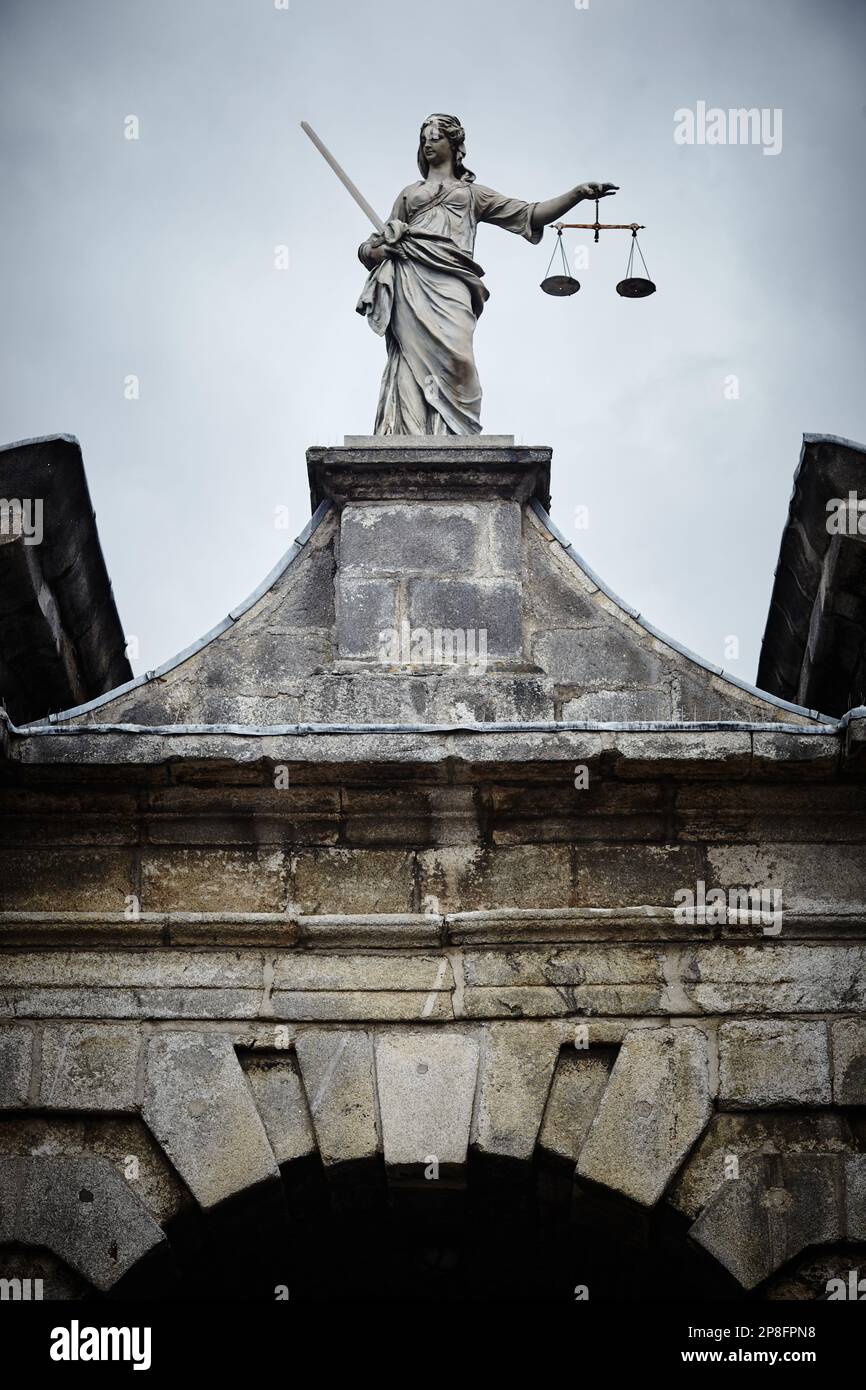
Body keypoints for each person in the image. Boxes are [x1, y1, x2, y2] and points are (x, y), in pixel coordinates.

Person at [356, 113, 617, 435]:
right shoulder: (410, 193)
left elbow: (529, 214)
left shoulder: (473, 194)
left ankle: (455, 433)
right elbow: (372, 246)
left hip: (453, 282)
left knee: (458, 360)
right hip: (410, 278)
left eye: (436, 137)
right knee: (410, 359)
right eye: (424, 138)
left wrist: (576, 194)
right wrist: (378, 252)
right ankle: (411, 432)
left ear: (454, 145)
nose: (428, 143)